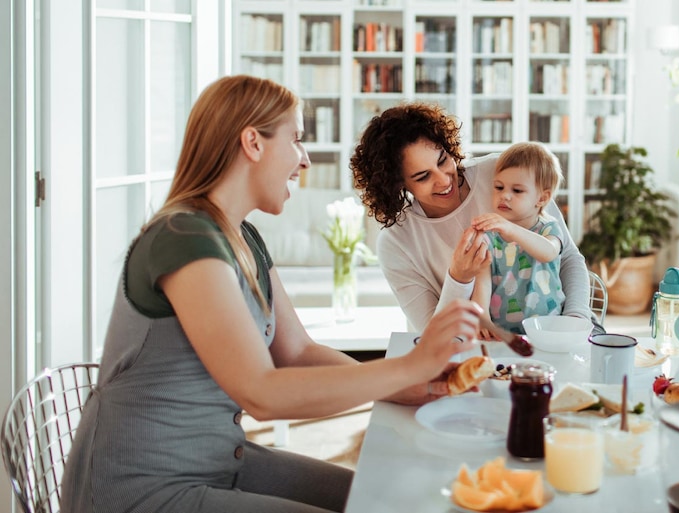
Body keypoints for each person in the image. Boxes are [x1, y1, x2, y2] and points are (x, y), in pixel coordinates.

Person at [61, 76, 481, 513]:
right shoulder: (183, 237)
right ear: (252, 143)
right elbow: (261, 394)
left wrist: (417, 386)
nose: (304, 160)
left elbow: (298, 352)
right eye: (296, 139)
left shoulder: (244, 237)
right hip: (143, 487)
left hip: (220, 459)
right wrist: (411, 365)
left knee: (383, 499)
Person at [350, 102, 598, 333]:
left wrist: (577, 318)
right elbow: (432, 335)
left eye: (443, 160)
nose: (444, 180)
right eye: (423, 176)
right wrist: (458, 277)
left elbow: (567, 256)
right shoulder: (397, 242)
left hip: (558, 325)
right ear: (397, 185)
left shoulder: (501, 175)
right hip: (477, 342)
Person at [469, 142, 566, 336]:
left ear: (541, 198)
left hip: (549, 330)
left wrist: (511, 229)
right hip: (504, 333)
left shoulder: (549, 228)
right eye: (499, 187)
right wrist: (482, 318)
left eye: (517, 190)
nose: (505, 195)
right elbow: (482, 282)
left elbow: (548, 252)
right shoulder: (489, 236)